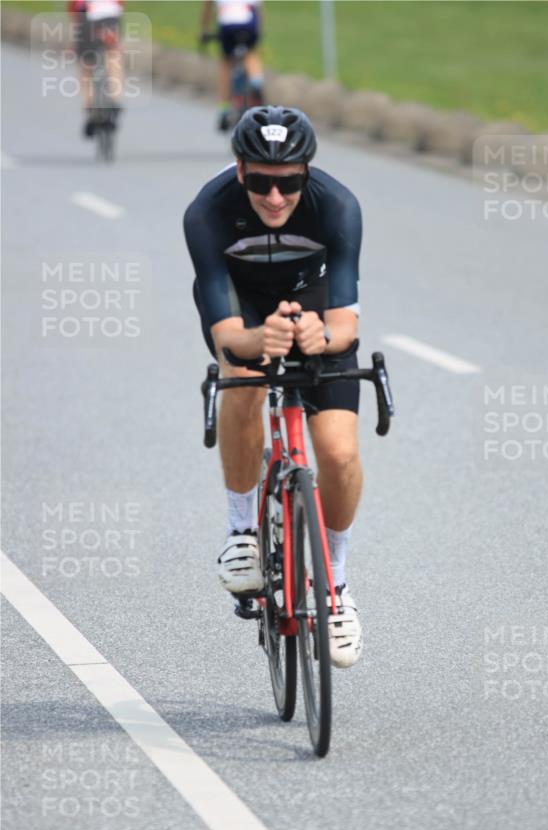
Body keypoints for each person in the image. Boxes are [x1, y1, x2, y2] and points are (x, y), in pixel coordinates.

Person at [184, 106, 364, 668]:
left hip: (314, 310)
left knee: (337, 451)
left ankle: (334, 589)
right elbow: (225, 331)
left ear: (307, 173)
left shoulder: (337, 207)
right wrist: (258, 337)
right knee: (241, 376)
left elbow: (347, 324)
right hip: (243, 309)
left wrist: (321, 333)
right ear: (239, 171)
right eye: (260, 182)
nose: (275, 197)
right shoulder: (208, 213)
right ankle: (243, 531)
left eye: (288, 183)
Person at [199, 0, 265, 130]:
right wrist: (259, 30)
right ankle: (256, 81)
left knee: (225, 63)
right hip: (249, 20)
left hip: (227, 21)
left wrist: (204, 29)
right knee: (250, 54)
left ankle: (224, 108)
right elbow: (259, 9)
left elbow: (207, 6)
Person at [68, 0, 124, 138]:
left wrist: (72, 45)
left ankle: (89, 108)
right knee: (113, 56)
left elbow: (75, 12)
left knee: (85, 66)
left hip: (87, 17)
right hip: (111, 17)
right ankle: (115, 100)